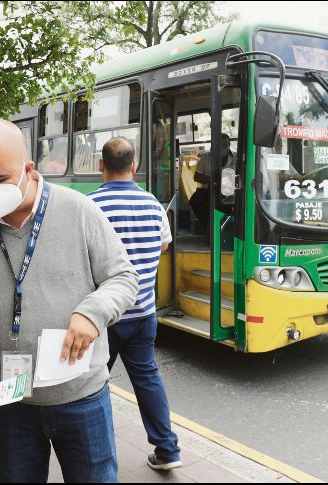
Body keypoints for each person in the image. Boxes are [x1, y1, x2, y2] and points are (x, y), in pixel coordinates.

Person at [0, 119, 139, 483]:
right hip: (8, 403)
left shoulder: (79, 211)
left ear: (29, 169)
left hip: (81, 397)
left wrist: (93, 313)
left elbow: (123, 278)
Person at [88, 138, 182, 471]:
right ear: (134, 167)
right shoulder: (154, 205)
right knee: (147, 379)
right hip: (143, 311)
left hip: (104, 317)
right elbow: (163, 247)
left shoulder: (89, 207)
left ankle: (95, 456)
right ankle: (168, 449)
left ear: (101, 166)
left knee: (93, 385)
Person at [189, 133, 235, 224]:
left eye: (225, 145)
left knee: (233, 204)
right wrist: (213, 179)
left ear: (229, 146)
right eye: (220, 145)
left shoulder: (236, 158)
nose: (223, 148)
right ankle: (208, 224)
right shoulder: (205, 158)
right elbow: (196, 177)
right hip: (208, 190)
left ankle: (227, 225)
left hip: (229, 192)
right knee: (195, 201)